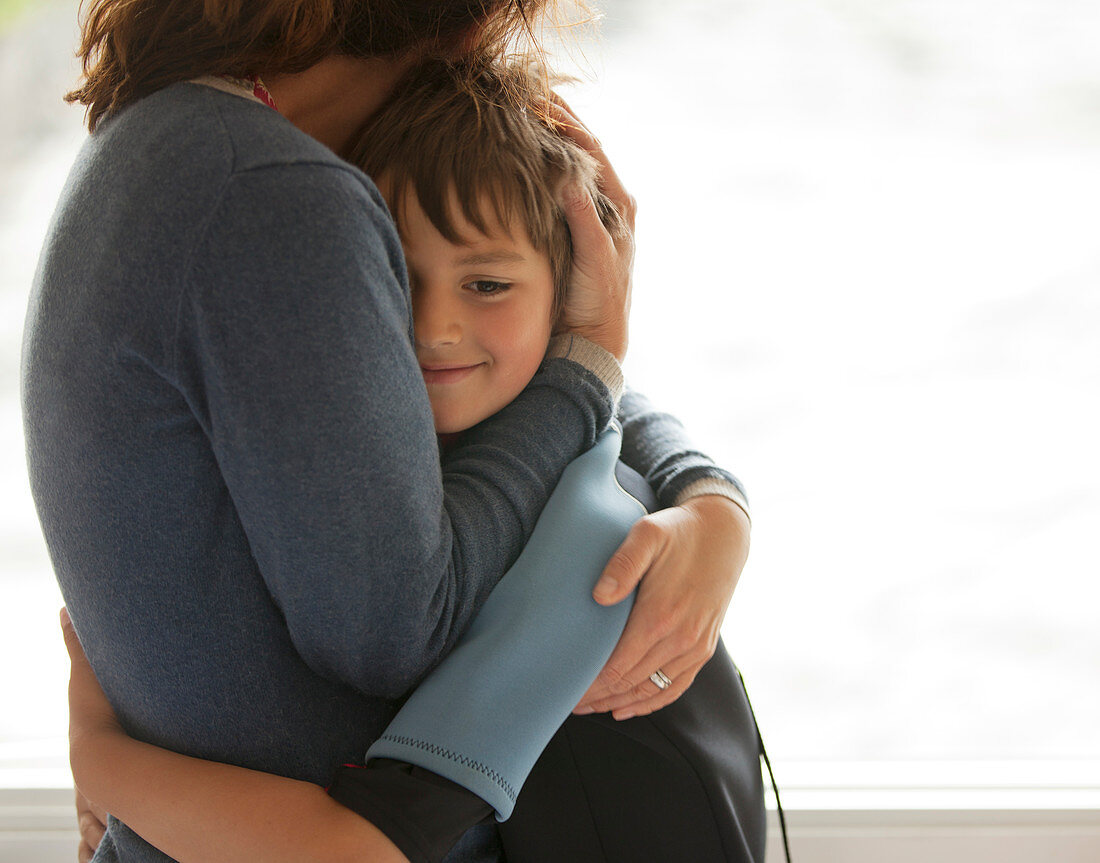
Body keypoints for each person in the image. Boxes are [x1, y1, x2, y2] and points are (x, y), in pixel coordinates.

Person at [25, 2, 751, 861]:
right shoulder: (274, 196)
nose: (431, 325)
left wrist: (702, 487)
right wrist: (589, 367)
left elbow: (497, 393)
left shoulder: (159, 143)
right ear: (469, 23)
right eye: (394, 282)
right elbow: (392, 633)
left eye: (487, 282)